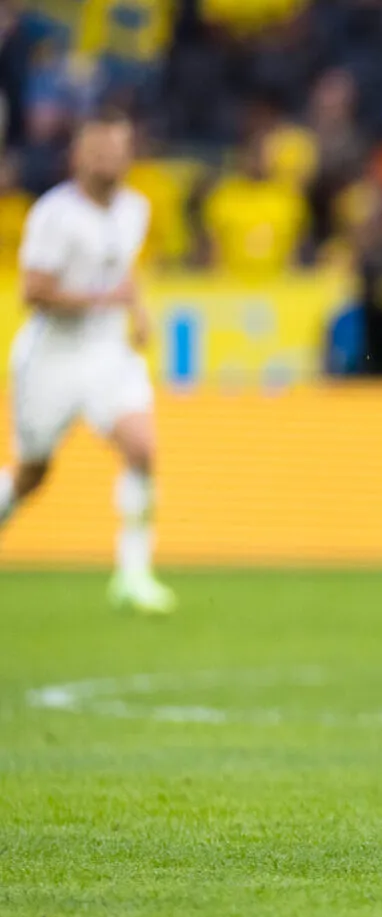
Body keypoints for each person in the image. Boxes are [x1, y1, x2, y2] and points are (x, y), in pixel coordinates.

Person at [0, 111, 175, 614]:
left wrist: (138, 311)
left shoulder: (135, 209)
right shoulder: (53, 216)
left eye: (120, 149)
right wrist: (106, 299)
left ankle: (134, 574)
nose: (112, 159)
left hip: (105, 354)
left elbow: (121, 270)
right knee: (32, 473)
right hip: (50, 359)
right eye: (101, 150)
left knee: (142, 447)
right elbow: (33, 292)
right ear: (78, 156)